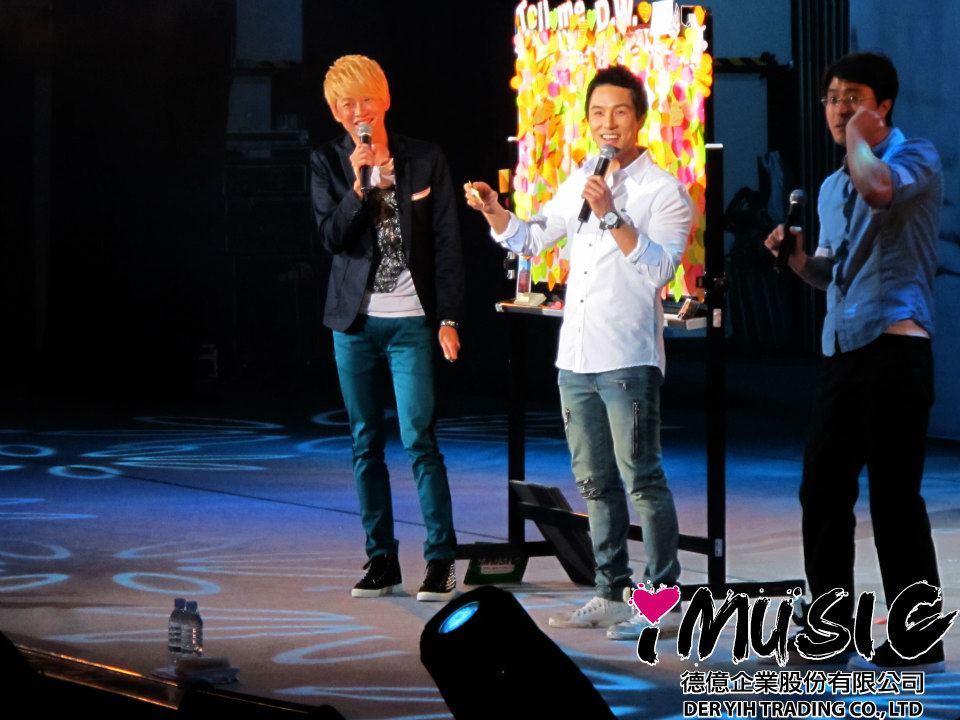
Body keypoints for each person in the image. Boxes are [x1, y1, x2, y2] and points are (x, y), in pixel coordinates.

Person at [466, 66, 693, 640]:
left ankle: (661, 601)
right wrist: (495, 211)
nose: (607, 123)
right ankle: (611, 592)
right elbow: (531, 238)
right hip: (575, 357)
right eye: (597, 113)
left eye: (619, 112)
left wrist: (613, 213)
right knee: (594, 482)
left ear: (639, 118)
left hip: (627, 356)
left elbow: (661, 270)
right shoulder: (580, 180)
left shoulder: (663, 191)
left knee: (642, 480)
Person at [765, 52, 945, 671]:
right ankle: (829, 631)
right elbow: (829, 271)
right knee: (821, 491)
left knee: (894, 498)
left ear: (883, 106)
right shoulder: (830, 186)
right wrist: (795, 258)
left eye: (853, 98)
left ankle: (918, 640)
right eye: (832, 98)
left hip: (896, 345)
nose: (839, 108)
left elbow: (880, 189)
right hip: (841, 350)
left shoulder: (914, 155)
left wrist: (859, 143)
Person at [312, 54, 463, 602]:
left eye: (367, 100)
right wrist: (361, 188)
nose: (360, 112)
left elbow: (446, 241)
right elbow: (331, 238)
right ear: (336, 112)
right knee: (364, 442)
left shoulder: (424, 158)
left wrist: (448, 317)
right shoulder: (328, 161)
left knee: (420, 439)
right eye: (347, 104)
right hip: (353, 323)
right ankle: (381, 560)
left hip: (411, 323)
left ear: (385, 100)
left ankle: (440, 561)